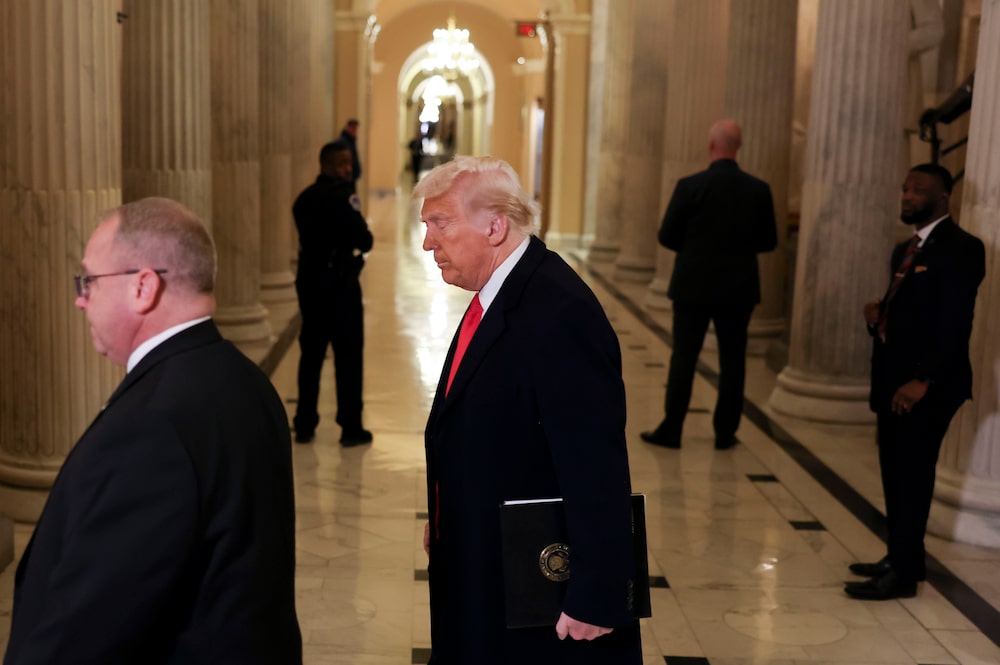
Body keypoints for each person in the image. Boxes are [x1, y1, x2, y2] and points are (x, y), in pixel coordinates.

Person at [3, 198, 302, 664]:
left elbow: (90, 628)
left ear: (144, 287)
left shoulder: (151, 425)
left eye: (89, 281)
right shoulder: (246, 379)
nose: (80, 298)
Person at [413, 156, 641, 664]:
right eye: (427, 226)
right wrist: (448, 510)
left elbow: (595, 464)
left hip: (537, 589)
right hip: (485, 552)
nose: (428, 242)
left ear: (495, 227)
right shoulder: (500, 296)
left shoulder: (559, 310)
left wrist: (597, 594)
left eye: (440, 223)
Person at [846, 164, 985, 600]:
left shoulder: (963, 248)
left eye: (918, 190)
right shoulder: (904, 249)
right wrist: (878, 318)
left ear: (943, 197)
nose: (907, 196)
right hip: (893, 382)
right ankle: (904, 557)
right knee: (895, 472)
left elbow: (954, 322)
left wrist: (924, 379)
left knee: (912, 475)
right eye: (905, 189)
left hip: (928, 387)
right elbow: (911, 317)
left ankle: (902, 577)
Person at [641, 119, 777, 450]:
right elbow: (769, 240)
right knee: (733, 361)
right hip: (738, 288)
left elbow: (667, 235)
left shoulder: (690, 186)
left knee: (684, 357)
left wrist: (696, 248)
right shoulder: (758, 190)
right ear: (737, 147)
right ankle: (725, 432)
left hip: (693, 286)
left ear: (711, 146)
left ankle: (671, 429)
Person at [292, 140, 374, 446]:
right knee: (348, 356)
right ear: (325, 165)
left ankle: (304, 423)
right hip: (341, 288)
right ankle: (351, 426)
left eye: (348, 162)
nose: (348, 168)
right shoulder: (345, 198)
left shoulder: (303, 200)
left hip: (311, 286)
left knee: (311, 356)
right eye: (342, 163)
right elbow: (364, 240)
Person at [339, 118, 362, 188]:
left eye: (356, 129)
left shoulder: (351, 141)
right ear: (348, 127)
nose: (355, 131)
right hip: (346, 180)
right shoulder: (344, 142)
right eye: (353, 129)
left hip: (351, 179)